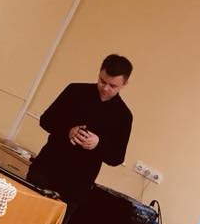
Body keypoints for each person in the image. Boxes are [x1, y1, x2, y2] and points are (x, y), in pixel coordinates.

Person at [27, 54, 134, 213]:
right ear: (99, 73)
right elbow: (46, 120)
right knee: (23, 216)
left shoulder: (123, 116)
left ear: (124, 84)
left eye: (113, 86)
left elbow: (117, 157)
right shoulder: (75, 91)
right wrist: (68, 130)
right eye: (102, 81)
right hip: (46, 168)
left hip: (76, 185)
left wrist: (98, 144)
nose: (105, 88)